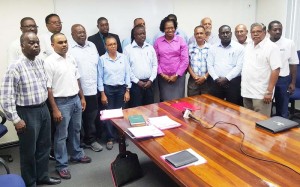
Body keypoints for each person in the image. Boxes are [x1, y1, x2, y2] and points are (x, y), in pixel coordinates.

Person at [0, 32, 61, 186]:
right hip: (26, 112)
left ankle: (43, 176)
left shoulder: (40, 62)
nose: (35, 45)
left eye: (37, 43)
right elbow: (6, 97)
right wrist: (15, 119)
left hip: (43, 109)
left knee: (44, 147)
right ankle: (30, 182)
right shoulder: (15, 67)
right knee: (28, 151)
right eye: (31, 43)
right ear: (22, 46)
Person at [44, 33, 91, 180]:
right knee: (61, 135)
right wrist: (55, 109)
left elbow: (77, 79)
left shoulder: (70, 57)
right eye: (60, 42)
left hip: (75, 99)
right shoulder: (49, 62)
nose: (64, 44)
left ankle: (77, 154)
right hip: (61, 103)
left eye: (65, 42)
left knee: (76, 129)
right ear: (53, 45)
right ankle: (62, 165)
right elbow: (48, 88)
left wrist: (82, 97)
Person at [69, 24, 103, 152]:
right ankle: (79, 142)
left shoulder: (92, 46)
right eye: (78, 32)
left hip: (92, 88)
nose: (82, 34)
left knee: (91, 117)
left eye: (83, 31)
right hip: (77, 90)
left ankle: (91, 140)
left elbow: (98, 67)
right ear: (72, 35)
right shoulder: (70, 49)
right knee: (77, 120)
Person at [97, 35, 130, 150]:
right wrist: (102, 93)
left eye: (114, 44)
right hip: (108, 90)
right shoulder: (102, 59)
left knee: (120, 114)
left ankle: (121, 136)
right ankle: (110, 138)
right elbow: (99, 77)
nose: (113, 46)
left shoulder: (123, 57)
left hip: (121, 89)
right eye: (110, 44)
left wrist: (127, 90)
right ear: (106, 46)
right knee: (108, 114)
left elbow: (127, 74)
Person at [241, 23, 281, 116]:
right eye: (253, 32)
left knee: (261, 124)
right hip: (247, 91)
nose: (255, 34)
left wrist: (269, 92)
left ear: (265, 32)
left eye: (258, 31)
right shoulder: (248, 45)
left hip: (261, 94)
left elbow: (276, 70)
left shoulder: (272, 47)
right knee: (247, 122)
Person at [207, 25, 244, 106]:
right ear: (219, 35)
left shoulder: (239, 48)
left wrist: (227, 78)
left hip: (233, 83)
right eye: (222, 33)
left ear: (231, 34)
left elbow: (239, 67)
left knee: (233, 108)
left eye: (227, 32)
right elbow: (210, 65)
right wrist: (216, 79)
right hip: (216, 82)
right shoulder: (212, 48)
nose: (225, 35)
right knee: (216, 107)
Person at [268, 20, 299, 118]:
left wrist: (293, 83)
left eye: (280, 29)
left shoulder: (289, 43)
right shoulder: (264, 44)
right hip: (266, 79)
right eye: (275, 29)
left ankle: (282, 131)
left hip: (282, 80)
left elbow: (293, 63)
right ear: (269, 31)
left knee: (282, 110)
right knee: (266, 108)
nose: (278, 31)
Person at [154, 17, 189, 101]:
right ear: (163, 29)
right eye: (167, 28)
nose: (170, 30)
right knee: (165, 102)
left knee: (178, 101)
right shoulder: (158, 41)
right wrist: (162, 74)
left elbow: (185, 60)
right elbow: (155, 60)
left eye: (172, 27)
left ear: (175, 28)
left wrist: (176, 75)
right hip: (163, 78)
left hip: (178, 77)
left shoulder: (181, 40)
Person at [124, 25, 157, 107]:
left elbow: (155, 65)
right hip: (135, 86)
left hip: (149, 84)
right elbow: (127, 69)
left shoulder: (150, 48)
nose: (143, 35)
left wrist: (151, 80)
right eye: (140, 34)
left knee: (149, 109)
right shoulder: (128, 49)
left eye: (144, 33)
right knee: (136, 110)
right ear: (134, 35)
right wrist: (137, 81)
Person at [187, 25, 211, 96]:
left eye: (201, 33)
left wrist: (205, 77)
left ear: (205, 34)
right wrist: (194, 76)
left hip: (207, 80)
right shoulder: (189, 47)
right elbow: (187, 63)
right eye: (197, 33)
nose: (199, 35)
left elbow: (213, 65)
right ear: (194, 35)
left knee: (206, 103)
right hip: (193, 80)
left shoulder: (211, 48)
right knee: (192, 103)